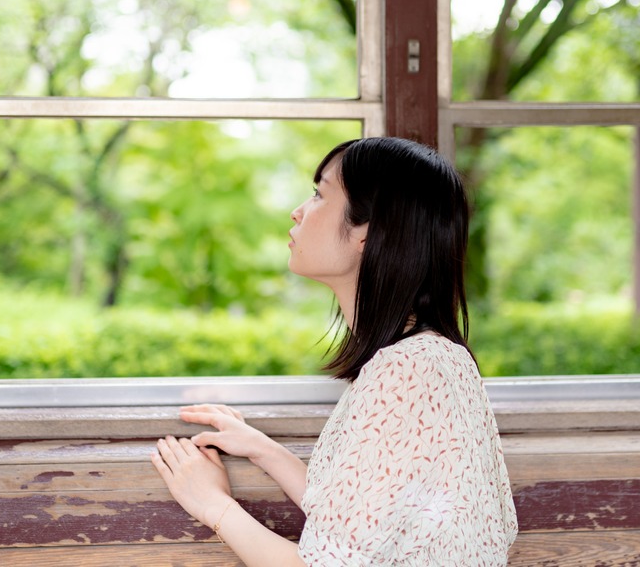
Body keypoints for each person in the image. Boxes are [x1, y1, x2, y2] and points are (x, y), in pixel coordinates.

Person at [151, 137, 518, 565]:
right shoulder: (433, 356)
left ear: (369, 231)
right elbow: (359, 521)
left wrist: (212, 504)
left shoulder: (406, 370)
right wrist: (262, 449)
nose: (298, 211)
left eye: (319, 194)